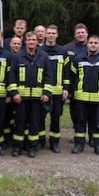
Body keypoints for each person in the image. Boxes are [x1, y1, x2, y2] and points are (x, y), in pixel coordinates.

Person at [7, 32, 52, 158]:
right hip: (21, 98)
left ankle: (32, 147)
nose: (31, 42)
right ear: (25, 41)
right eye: (29, 40)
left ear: (37, 41)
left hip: (37, 99)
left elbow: (48, 76)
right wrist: (14, 93)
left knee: (34, 123)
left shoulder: (43, 57)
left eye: (34, 40)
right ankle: (17, 147)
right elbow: (11, 76)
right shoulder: (17, 57)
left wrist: (47, 93)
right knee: (19, 123)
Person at [69, 35, 99, 156]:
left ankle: (98, 145)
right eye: (91, 43)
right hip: (81, 98)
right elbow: (72, 76)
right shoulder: (77, 59)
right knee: (80, 122)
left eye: (96, 43)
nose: (93, 45)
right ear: (87, 44)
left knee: (97, 124)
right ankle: (79, 145)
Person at [38, 24, 69, 153]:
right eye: (48, 33)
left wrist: (66, 88)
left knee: (55, 117)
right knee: (40, 117)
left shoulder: (63, 51)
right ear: (45, 35)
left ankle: (54, 142)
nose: (50, 35)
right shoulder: (39, 51)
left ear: (57, 35)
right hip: (42, 91)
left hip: (57, 91)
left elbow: (66, 72)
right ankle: (40, 141)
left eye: (53, 33)